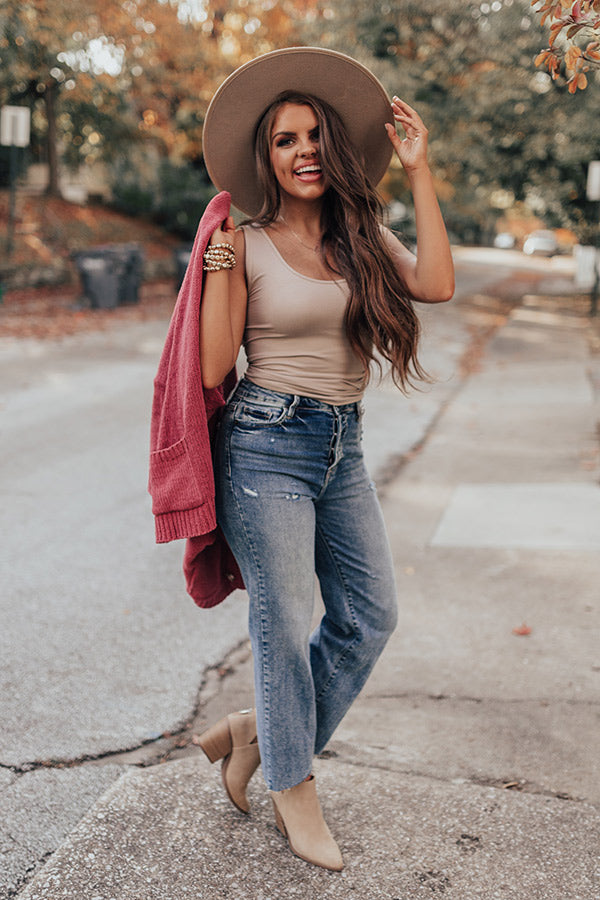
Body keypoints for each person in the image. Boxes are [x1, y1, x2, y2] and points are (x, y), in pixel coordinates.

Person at [192, 47, 454, 871]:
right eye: (283, 140)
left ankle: (254, 733)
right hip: (266, 444)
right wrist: (221, 267)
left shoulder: (360, 234)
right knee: (284, 622)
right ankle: (292, 787)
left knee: (371, 617)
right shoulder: (245, 238)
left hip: (342, 444)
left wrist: (419, 172)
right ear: (265, 158)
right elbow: (211, 368)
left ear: (333, 148)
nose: (302, 150)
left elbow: (438, 286)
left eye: (313, 136)